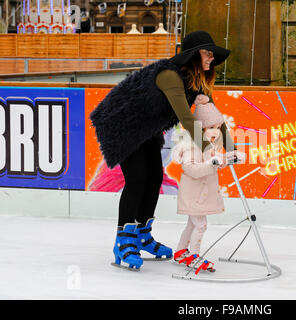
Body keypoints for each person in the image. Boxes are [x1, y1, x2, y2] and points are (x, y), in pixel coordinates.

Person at [90, 31, 238, 270]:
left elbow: (212, 114)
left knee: (155, 177)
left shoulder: (195, 81)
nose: (211, 58)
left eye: (213, 54)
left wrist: (232, 148)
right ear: (193, 55)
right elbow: (186, 118)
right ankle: (123, 241)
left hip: (147, 127)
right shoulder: (170, 75)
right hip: (122, 122)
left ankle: (142, 235)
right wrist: (211, 153)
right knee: (137, 179)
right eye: (207, 53)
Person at [171, 94, 229, 273]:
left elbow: (213, 162)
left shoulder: (209, 146)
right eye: (211, 127)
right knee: (200, 225)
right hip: (193, 194)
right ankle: (194, 256)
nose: (216, 132)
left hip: (200, 194)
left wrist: (226, 159)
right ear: (200, 128)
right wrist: (211, 164)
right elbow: (190, 169)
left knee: (192, 224)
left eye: (218, 127)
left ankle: (181, 251)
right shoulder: (191, 146)